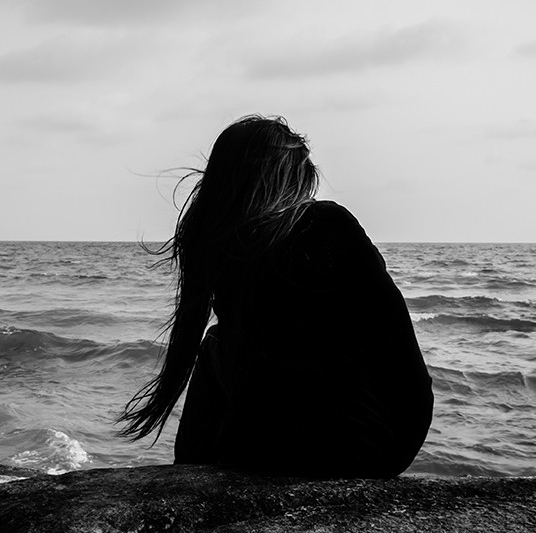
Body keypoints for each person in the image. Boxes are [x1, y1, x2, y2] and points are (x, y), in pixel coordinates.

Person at [117, 115, 432, 478]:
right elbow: (401, 359)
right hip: (373, 449)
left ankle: (189, 480)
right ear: (289, 179)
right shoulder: (329, 224)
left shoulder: (218, 242)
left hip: (272, 451)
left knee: (212, 343)